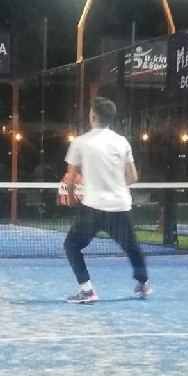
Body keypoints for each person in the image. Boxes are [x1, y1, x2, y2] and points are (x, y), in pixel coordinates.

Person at [63, 96, 152, 303]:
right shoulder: (122, 142)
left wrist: (71, 197)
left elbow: (71, 178)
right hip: (121, 206)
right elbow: (133, 177)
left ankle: (87, 290)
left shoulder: (80, 142)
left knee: (71, 245)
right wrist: (115, 185)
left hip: (92, 208)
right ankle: (143, 284)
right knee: (132, 247)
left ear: (93, 116)